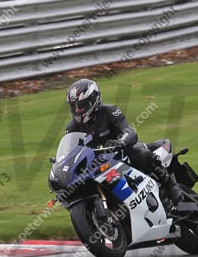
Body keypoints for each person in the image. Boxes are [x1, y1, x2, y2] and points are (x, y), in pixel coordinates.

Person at [65, 78, 183, 207]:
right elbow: (70, 149)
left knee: (138, 152)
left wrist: (121, 141)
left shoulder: (109, 111)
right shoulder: (72, 127)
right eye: (74, 107)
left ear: (94, 100)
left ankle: (171, 186)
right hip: (98, 162)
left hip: (122, 152)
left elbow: (129, 130)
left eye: (81, 106)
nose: (77, 111)